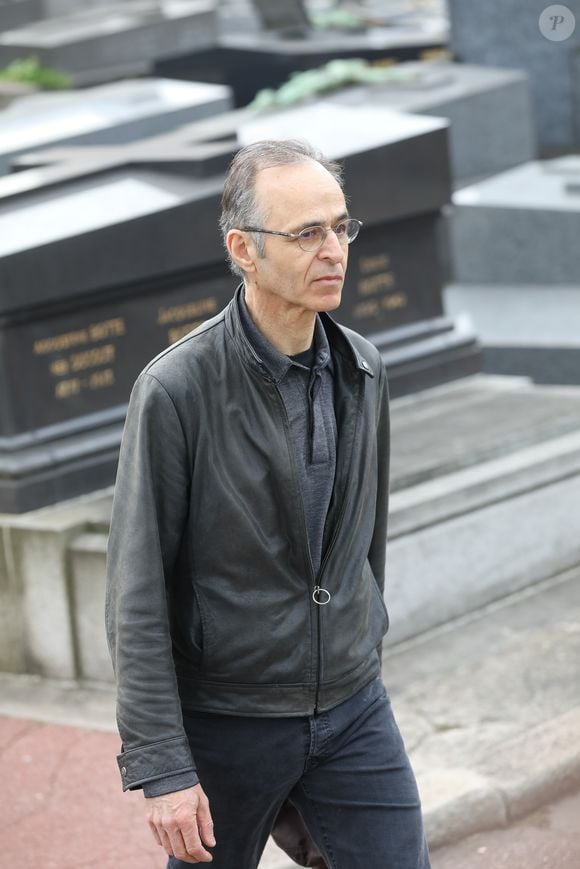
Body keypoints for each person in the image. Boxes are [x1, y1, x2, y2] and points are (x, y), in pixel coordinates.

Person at [105, 138, 430, 869]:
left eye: (340, 227)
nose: (333, 250)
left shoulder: (363, 368)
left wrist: (357, 636)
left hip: (352, 709)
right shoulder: (176, 391)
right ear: (243, 250)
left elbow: (362, 544)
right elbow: (137, 591)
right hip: (231, 721)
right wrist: (164, 767)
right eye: (306, 232)